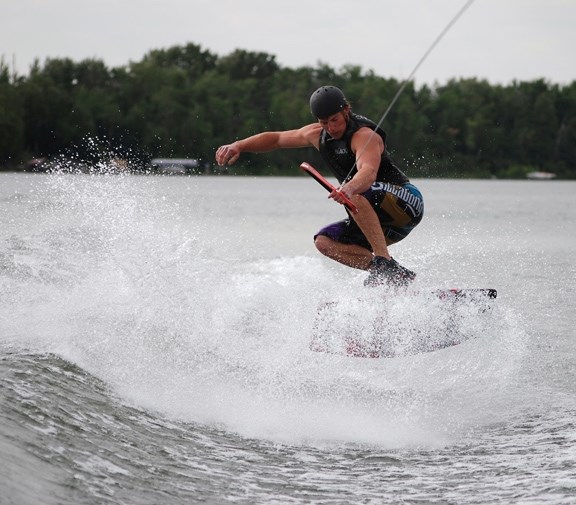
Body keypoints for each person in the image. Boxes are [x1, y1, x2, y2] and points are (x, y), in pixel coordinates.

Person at [215, 85, 424, 287]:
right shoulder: (317, 134)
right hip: (380, 222)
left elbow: (367, 173)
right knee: (324, 242)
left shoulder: (364, 136)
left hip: (405, 203)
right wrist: (238, 145)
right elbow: (276, 139)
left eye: (335, 120)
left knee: (356, 194)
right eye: (324, 122)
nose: (331, 128)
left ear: (346, 111)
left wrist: (349, 188)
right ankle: (393, 274)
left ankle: (383, 261)